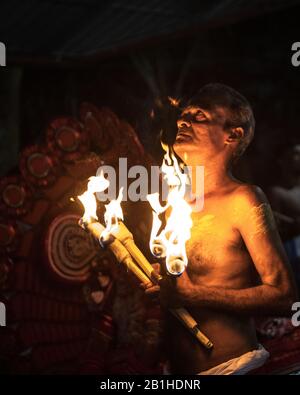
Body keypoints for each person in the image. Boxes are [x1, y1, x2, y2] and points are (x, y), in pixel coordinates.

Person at [145, 83, 297, 375]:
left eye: (199, 116)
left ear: (233, 134)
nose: (182, 121)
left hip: (234, 367)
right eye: (183, 115)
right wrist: (160, 282)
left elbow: (284, 296)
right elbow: (183, 285)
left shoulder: (243, 199)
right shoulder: (174, 204)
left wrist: (191, 295)